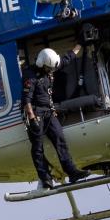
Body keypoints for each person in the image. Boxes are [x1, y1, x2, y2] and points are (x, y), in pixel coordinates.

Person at [22, 47, 87, 189]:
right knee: (38, 147)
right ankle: (45, 178)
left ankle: (72, 171)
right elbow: (26, 100)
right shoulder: (30, 75)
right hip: (36, 113)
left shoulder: (51, 66)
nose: (51, 71)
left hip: (48, 112)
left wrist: (78, 46)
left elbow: (65, 60)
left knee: (60, 138)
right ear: (42, 64)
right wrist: (32, 119)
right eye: (49, 68)